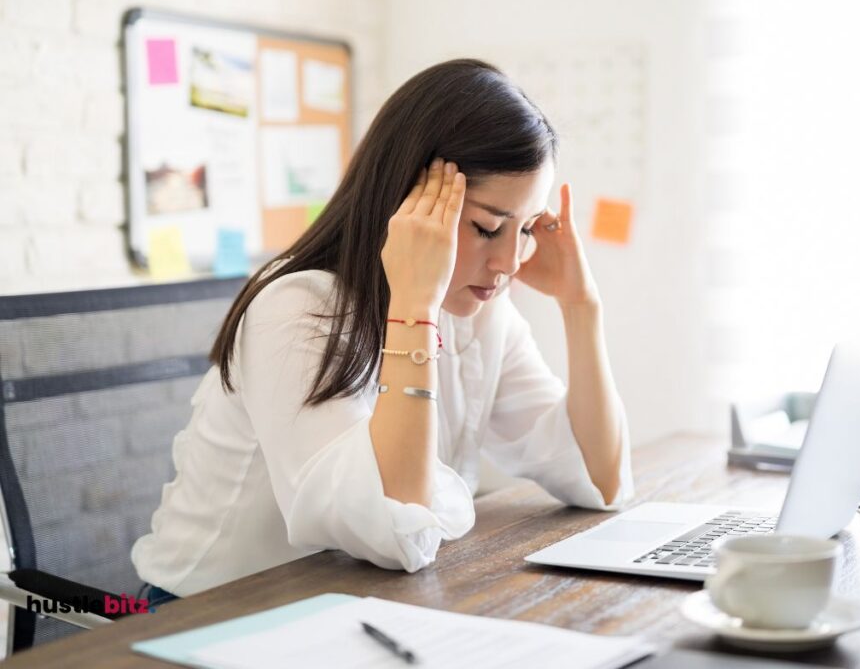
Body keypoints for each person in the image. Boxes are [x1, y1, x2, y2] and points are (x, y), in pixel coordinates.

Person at [131, 59, 634, 601]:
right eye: (488, 228)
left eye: (528, 229)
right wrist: (413, 308)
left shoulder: (478, 312)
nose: (510, 261)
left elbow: (598, 479)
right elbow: (394, 532)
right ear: (407, 203)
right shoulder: (298, 308)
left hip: (352, 606)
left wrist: (582, 306)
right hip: (206, 613)